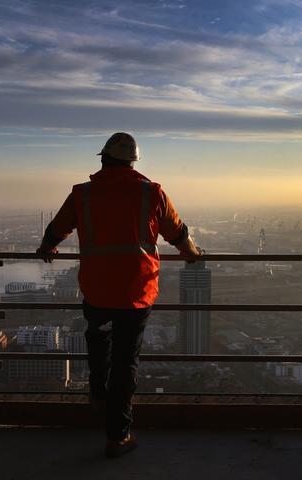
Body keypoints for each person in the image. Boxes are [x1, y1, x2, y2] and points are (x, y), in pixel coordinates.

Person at [36, 132, 202, 458]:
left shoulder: (83, 194)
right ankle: (118, 435)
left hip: (97, 289)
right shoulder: (151, 193)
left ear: (102, 159)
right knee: (126, 363)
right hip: (135, 292)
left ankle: (98, 396)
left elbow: (58, 228)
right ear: (133, 161)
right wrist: (192, 252)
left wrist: (47, 248)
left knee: (99, 346)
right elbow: (177, 231)